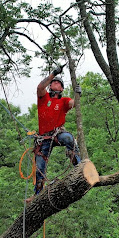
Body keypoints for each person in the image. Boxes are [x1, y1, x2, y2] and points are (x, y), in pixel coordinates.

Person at [32, 65, 82, 195]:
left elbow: (73, 104)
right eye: (54, 82)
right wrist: (54, 73)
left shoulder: (64, 101)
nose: (55, 83)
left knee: (68, 138)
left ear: (61, 88)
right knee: (39, 169)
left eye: (58, 83)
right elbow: (40, 87)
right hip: (43, 138)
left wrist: (77, 95)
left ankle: (79, 166)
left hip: (57, 133)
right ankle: (38, 193)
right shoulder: (44, 98)